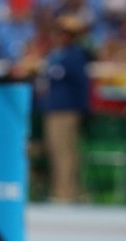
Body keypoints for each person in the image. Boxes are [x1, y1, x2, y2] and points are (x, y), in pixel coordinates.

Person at [36, 15, 91, 202]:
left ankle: (67, 193)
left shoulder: (75, 56)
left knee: (66, 152)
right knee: (55, 150)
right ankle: (62, 190)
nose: (59, 37)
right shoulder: (53, 55)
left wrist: (82, 109)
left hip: (67, 110)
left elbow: (79, 84)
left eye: (64, 33)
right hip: (52, 109)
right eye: (57, 33)